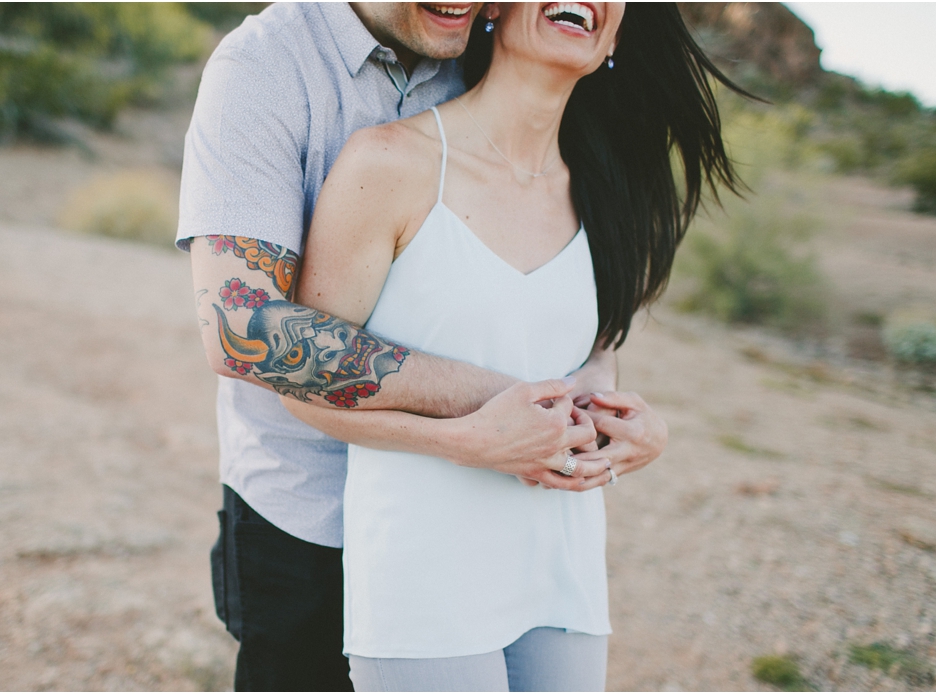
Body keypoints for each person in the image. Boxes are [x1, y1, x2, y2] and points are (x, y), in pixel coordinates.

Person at [178, 3, 668, 691]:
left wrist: (598, 410)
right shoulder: (263, 67)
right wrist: (512, 403)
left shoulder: (486, 54)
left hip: (494, 513)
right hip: (306, 511)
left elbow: (555, 314)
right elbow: (243, 330)